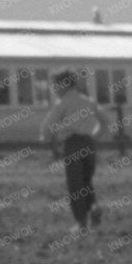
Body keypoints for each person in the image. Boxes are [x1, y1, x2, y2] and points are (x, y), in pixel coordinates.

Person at [40, 70, 107, 232]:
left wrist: (48, 140)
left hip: (72, 144)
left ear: (63, 85)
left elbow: (47, 126)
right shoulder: (88, 101)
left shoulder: (63, 103)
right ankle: (94, 210)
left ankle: (81, 222)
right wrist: (94, 137)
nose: (54, 89)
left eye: (55, 85)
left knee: (75, 185)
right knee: (86, 182)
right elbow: (106, 121)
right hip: (89, 144)